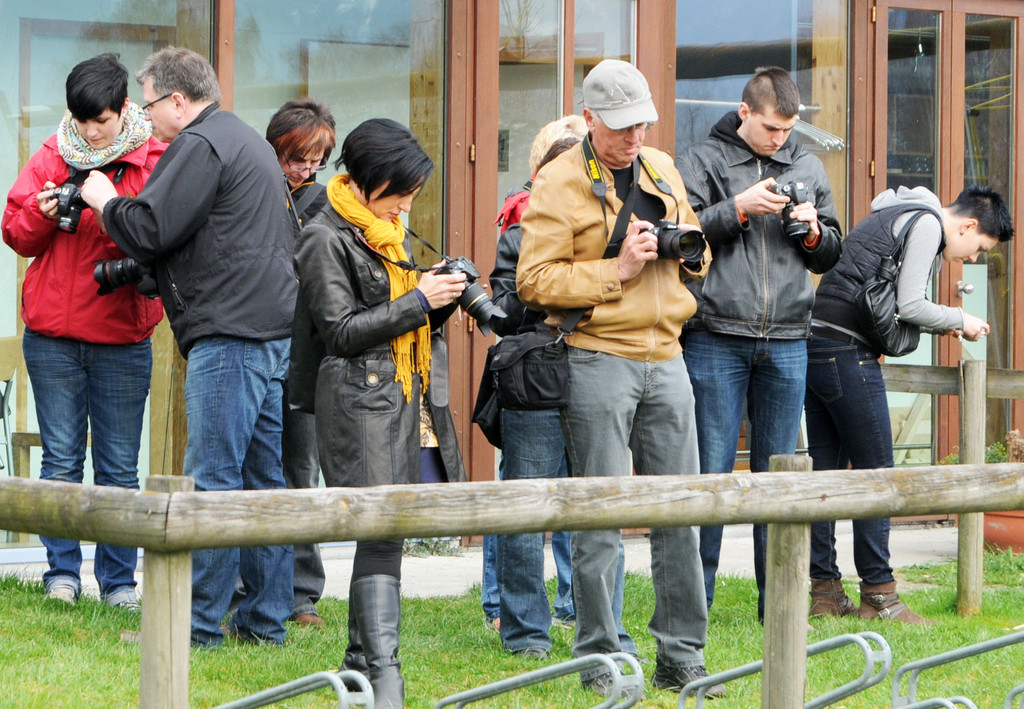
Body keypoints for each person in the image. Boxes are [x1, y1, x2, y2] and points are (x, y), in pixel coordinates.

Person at [80, 47, 298, 648]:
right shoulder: (245, 140)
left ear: (179, 100)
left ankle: (194, 627)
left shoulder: (199, 143)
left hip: (229, 336)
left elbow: (151, 229)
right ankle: (264, 622)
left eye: (149, 104)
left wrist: (104, 201)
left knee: (212, 482)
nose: (145, 117)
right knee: (262, 483)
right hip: (269, 330)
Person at [517, 59, 719, 698]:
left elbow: (699, 251)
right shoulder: (558, 181)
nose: (635, 138)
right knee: (600, 517)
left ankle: (681, 656)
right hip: (598, 356)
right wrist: (619, 269)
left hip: (669, 356)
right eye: (622, 127)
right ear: (589, 118)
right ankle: (600, 656)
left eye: (643, 125)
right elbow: (533, 282)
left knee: (681, 513)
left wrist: (688, 247)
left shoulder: (661, 166)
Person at [290, 118, 467, 708]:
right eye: (400, 193)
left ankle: (358, 665)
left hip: (401, 393)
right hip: (355, 397)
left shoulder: (384, 233)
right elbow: (340, 332)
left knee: (388, 528)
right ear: (366, 180)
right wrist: (418, 300)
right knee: (380, 529)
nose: (406, 206)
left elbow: (398, 316)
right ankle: (385, 674)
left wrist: (438, 298)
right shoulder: (324, 236)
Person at [674, 66, 842, 622]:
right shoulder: (701, 159)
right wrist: (739, 208)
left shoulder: (808, 165)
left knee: (780, 478)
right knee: (711, 476)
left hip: (789, 336)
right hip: (715, 334)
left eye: (788, 130)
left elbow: (831, 250)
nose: (780, 139)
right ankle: (695, 607)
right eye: (771, 127)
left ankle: (781, 610)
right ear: (745, 111)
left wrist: (814, 232)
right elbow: (681, 236)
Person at [805, 185, 1013, 624]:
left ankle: (824, 593)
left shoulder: (894, 212)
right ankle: (879, 596)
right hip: (847, 352)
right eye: (978, 248)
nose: (971, 258)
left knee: (825, 476)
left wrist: (944, 323)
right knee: (879, 474)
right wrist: (960, 318)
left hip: (816, 344)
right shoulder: (926, 223)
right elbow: (911, 304)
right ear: (968, 225)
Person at [1, 53, 165, 609]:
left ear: (124, 108)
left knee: (118, 466)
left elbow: (163, 238)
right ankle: (62, 576)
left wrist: (109, 206)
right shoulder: (54, 151)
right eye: (81, 120)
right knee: (62, 461)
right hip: (52, 337)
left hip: (122, 336)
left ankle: (118, 584)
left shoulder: (155, 158)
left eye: (101, 120)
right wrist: (42, 213)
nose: (91, 133)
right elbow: (15, 234)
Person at [487, 117, 585, 659]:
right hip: (537, 376)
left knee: (595, 506)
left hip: (601, 368)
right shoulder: (520, 228)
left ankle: (596, 623)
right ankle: (525, 632)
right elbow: (504, 309)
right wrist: (554, 292)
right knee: (525, 505)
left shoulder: (614, 223)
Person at [265, 97, 337, 628]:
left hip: (307, 348)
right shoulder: (256, 190)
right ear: (275, 149)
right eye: (296, 159)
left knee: (301, 470)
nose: (305, 170)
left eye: (316, 161)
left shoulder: (326, 201)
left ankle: (302, 592)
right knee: (256, 469)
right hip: (260, 337)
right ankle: (252, 583)